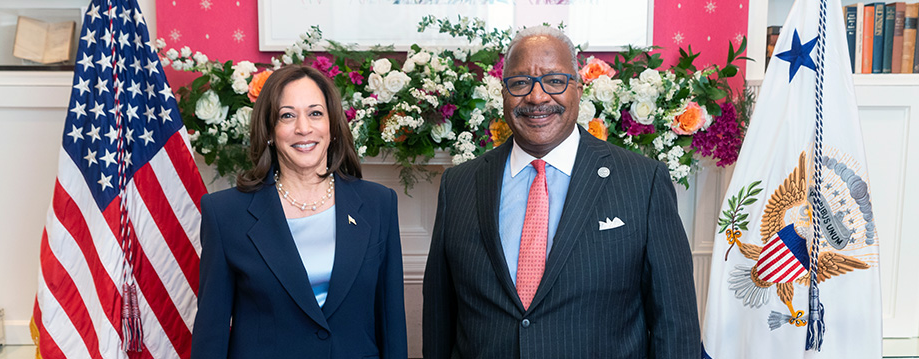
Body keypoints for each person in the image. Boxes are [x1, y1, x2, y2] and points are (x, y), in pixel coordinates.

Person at [422, 26, 700, 358]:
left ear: (578, 89)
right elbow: (439, 319)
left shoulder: (643, 182)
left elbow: (676, 325)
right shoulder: (459, 186)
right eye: (520, 83)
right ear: (503, 93)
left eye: (554, 81)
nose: (537, 98)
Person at [191, 65, 407, 359]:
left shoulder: (379, 204)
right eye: (287, 115)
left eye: (315, 113)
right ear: (270, 130)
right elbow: (211, 336)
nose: (303, 128)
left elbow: (391, 324)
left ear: (332, 126)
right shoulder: (225, 213)